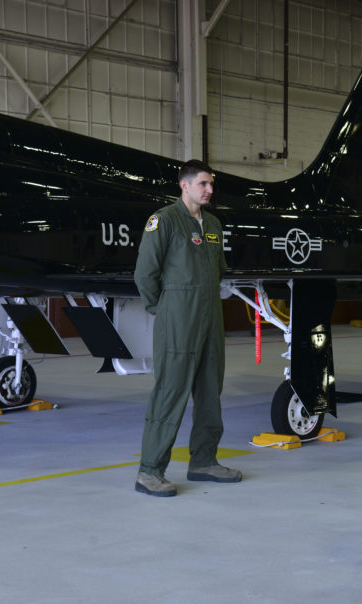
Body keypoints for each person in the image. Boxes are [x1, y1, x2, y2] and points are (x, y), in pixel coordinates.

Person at [133, 159, 241, 497]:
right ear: (185, 185)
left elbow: (219, 270)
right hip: (178, 317)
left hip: (210, 315)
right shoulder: (163, 221)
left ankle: (204, 461)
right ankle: (150, 471)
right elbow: (144, 274)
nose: (210, 190)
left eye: (211, 185)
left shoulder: (213, 225)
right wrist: (161, 309)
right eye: (204, 184)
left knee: (210, 390)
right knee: (171, 391)